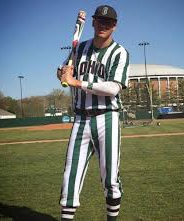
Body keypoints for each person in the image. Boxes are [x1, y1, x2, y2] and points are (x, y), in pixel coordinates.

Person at [57, 5, 130, 221]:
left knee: (110, 179)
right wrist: (62, 72)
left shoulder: (120, 53)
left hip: (107, 117)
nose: (103, 25)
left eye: (108, 22)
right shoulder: (79, 49)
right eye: (100, 21)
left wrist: (77, 82)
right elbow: (63, 72)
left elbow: (113, 88)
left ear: (114, 26)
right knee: (70, 175)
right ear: (93, 22)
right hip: (80, 118)